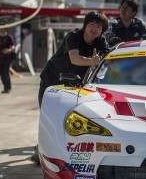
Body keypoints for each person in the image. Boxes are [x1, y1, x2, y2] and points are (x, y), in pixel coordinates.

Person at [32, 12, 109, 163]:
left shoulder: (101, 42)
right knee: (49, 118)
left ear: (102, 30)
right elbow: (74, 58)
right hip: (52, 80)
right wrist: (93, 61)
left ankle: (68, 151)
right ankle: (41, 149)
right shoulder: (73, 36)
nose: (94, 29)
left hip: (75, 84)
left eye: (98, 27)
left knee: (72, 119)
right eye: (91, 25)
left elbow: (108, 61)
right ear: (85, 25)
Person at [0, 28, 15, 94]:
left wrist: (9, 50)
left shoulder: (9, 37)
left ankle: (8, 88)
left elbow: (13, 46)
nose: (1, 30)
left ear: (5, 30)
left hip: (7, 57)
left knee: (5, 72)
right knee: (1, 74)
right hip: (0, 57)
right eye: (1, 29)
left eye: (3, 29)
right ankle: (5, 87)